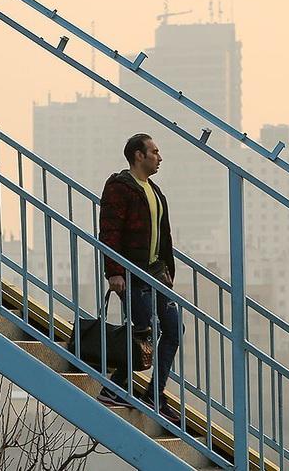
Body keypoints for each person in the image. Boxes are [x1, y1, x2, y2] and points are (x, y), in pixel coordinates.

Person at [95, 133, 182, 425]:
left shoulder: (154, 191)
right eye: (154, 152)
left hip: (156, 274)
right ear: (138, 156)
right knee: (143, 329)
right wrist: (114, 271)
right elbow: (109, 232)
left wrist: (168, 267)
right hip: (131, 272)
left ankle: (155, 394)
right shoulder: (120, 188)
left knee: (173, 329)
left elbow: (163, 235)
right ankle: (114, 385)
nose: (159, 157)